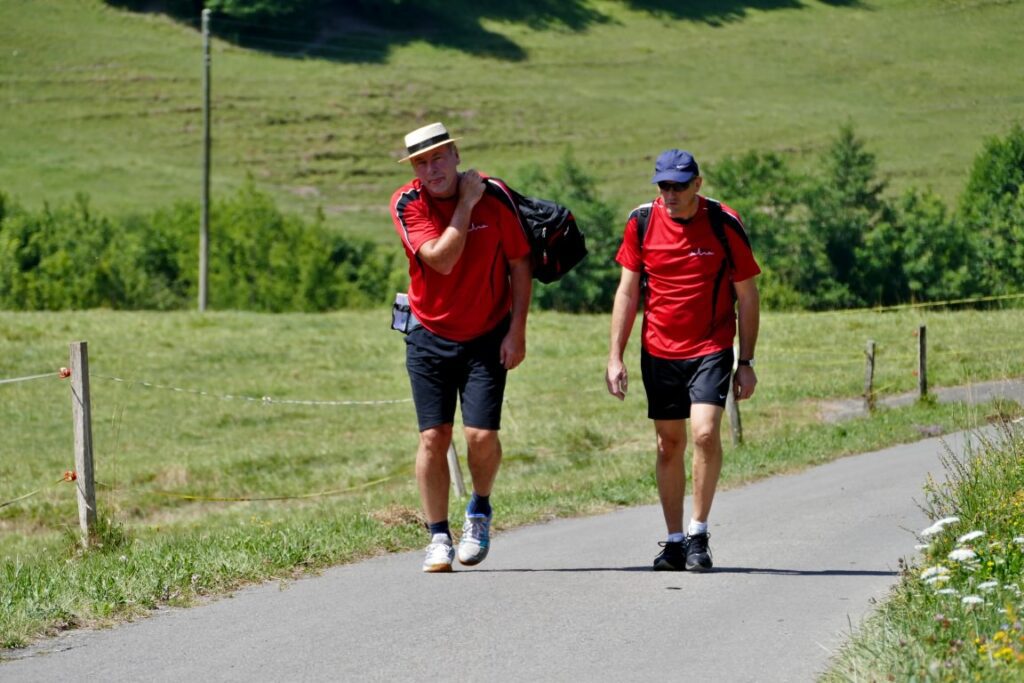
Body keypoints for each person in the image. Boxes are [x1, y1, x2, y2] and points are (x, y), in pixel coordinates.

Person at [606, 149, 761, 572]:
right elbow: (627, 292)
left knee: (707, 434)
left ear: (698, 183)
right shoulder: (641, 222)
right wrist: (614, 356)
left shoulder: (723, 224)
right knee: (667, 443)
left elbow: (747, 295)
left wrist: (745, 360)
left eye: (678, 185)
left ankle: (698, 533)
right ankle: (674, 541)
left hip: (710, 345)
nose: (670, 193)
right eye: (664, 186)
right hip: (658, 349)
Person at [390, 122, 533, 573]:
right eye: (421, 163)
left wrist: (517, 330)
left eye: (437, 157)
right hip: (428, 335)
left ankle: (479, 510)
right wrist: (467, 204)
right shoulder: (408, 203)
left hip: (487, 335)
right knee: (434, 437)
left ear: (455, 154)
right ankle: (437, 536)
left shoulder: (496, 198)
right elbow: (443, 260)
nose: (431, 170)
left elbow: (519, 263)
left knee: (481, 436)